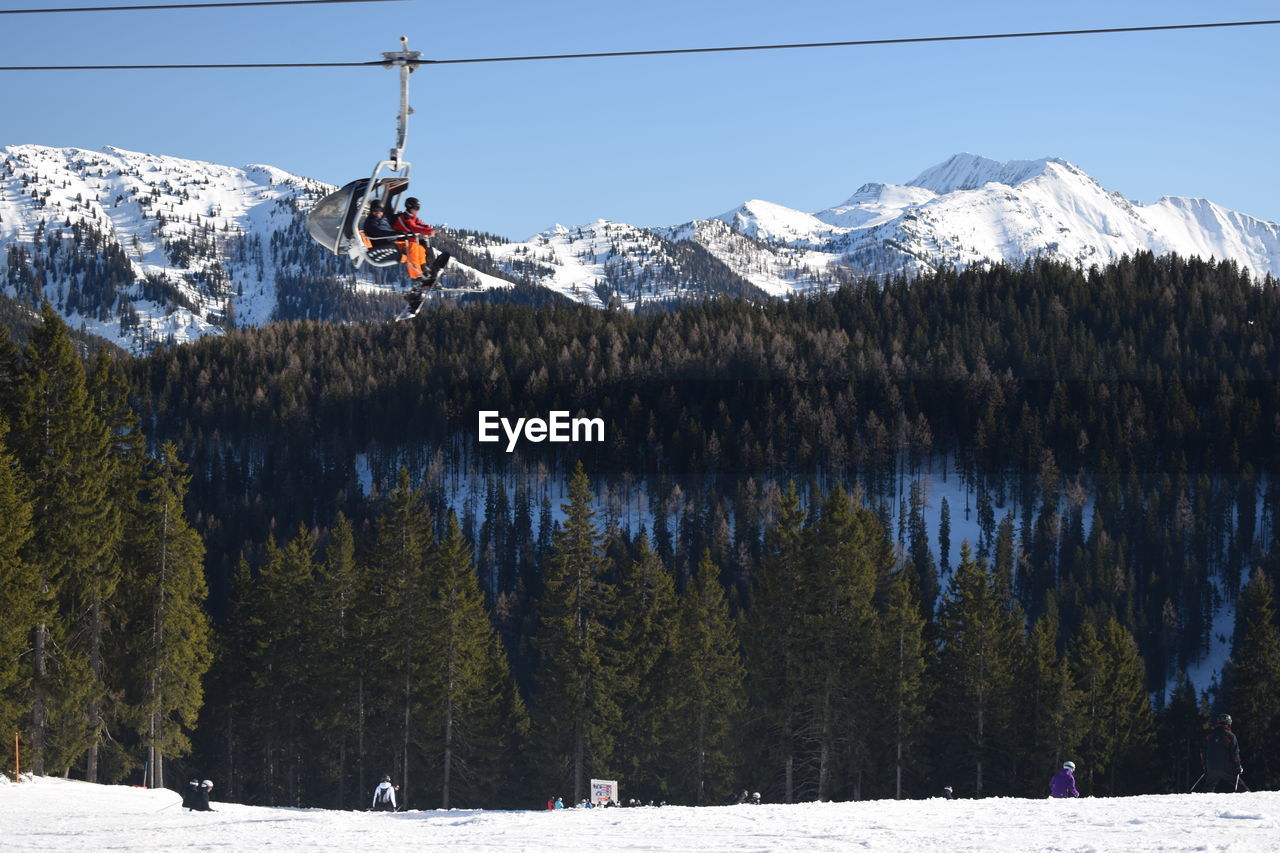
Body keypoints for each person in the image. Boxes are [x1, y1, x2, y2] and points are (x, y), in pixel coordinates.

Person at [1200, 713, 1244, 792]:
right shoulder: (1230, 736)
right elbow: (1235, 753)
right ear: (1229, 723)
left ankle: (1199, 803)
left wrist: (1204, 765)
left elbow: (1203, 752)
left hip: (1211, 767)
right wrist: (1238, 766)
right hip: (1226, 768)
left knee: (1208, 789)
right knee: (1241, 788)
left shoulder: (1209, 735)